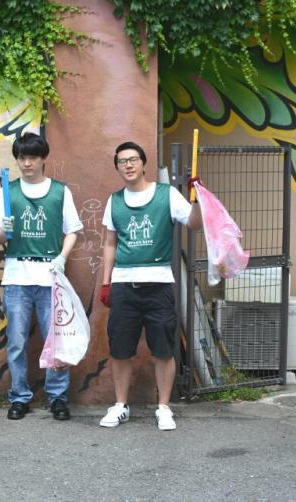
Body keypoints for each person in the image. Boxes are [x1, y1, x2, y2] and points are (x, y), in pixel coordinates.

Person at [98, 141, 202, 431]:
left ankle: (164, 407)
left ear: (144, 164)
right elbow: (109, 243)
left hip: (158, 285)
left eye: (133, 159)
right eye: (122, 161)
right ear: (117, 167)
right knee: (120, 349)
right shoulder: (114, 200)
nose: (128, 165)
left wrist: (198, 199)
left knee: (163, 349)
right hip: (123, 285)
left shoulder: (166, 194)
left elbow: (194, 224)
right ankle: (120, 405)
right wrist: (106, 282)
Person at [0, 133, 83, 421]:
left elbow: (73, 230)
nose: (26, 163)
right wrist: (5, 229)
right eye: (21, 157)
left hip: (50, 276)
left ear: (43, 159)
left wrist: (62, 258)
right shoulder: (8, 191)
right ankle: (19, 396)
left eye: (32, 157)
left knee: (56, 340)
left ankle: (57, 397)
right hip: (17, 275)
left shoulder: (59, 192)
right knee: (16, 340)